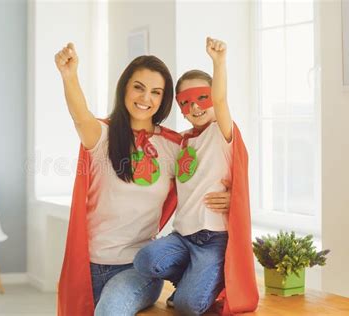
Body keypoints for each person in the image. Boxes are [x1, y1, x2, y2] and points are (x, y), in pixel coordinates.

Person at [54, 43, 231, 316]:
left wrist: (234, 198)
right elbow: (80, 116)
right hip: (90, 264)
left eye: (156, 92)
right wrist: (69, 76)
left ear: (163, 100)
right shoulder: (102, 135)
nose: (145, 98)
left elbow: (208, 175)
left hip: (139, 267)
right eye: (138, 87)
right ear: (124, 88)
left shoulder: (175, 145)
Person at [134, 37, 259, 315]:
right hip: (183, 237)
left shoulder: (222, 133)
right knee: (145, 260)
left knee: (189, 306)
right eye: (186, 102)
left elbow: (222, 100)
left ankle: (208, 283)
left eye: (203, 97)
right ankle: (189, 278)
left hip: (213, 239)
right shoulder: (184, 141)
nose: (195, 107)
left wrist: (219, 62)